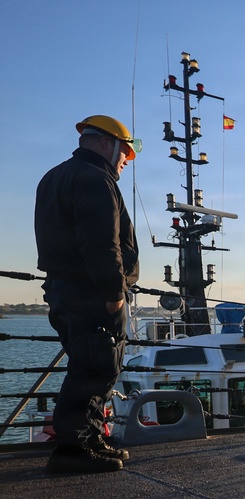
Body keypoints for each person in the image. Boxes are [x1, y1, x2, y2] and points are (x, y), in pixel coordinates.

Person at [35, 115, 142, 473]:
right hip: (92, 292)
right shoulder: (96, 179)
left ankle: (89, 438)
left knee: (86, 364)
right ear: (104, 143)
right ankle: (74, 450)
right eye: (124, 152)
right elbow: (100, 242)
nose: (125, 161)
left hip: (64, 289)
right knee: (97, 366)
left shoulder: (54, 176)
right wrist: (114, 292)